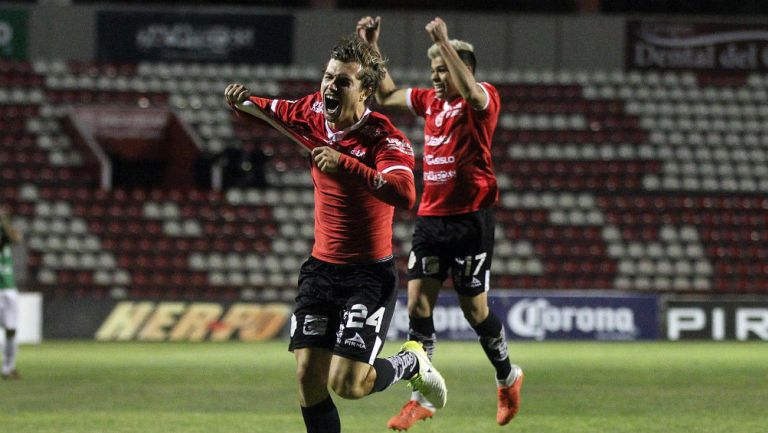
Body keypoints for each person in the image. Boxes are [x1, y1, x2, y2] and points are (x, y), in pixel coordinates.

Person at [225, 34, 447, 433]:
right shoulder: (310, 111)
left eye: (342, 81)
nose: (330, 86)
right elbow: (270, 111)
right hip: (320, 271)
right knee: (308, 378)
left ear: (365, 92)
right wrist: (241, 104)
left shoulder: (385, 138)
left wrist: (345, 164)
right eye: (328, 77)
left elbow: (405, 193)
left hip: (368, 275)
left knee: (348, 384)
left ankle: (411, 362)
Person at [356, 16, 524, 430]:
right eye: (432, 71)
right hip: (431, 219)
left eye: (442, 70)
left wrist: (446, 43)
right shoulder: (431, 102)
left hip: (471, 220)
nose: (434, 78)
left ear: (462, 69)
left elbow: (470, 88)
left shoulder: (483, 100)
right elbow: (389, 94)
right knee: (418, 305)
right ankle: (422, 397)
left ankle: (507, 376)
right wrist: (372, 47)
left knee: (474, 311)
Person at [1, 208, 22, 380]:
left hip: (9, 288)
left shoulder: (5, 232)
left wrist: (4, 222)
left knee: (11, 329)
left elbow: (17, 238)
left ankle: (8, 368)